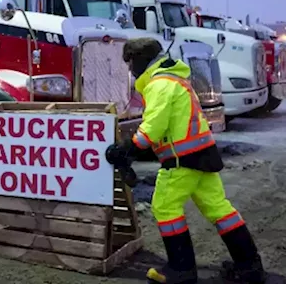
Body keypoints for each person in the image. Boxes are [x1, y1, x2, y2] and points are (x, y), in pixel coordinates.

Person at [105, 37, 267, 284]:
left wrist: (128, 149)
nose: (130, 70)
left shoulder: (159, 85)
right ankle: (249, 266)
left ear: (139, 61)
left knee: (165, 208)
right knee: (219, 208)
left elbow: (154, 127)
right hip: (204, 155)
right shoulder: (176, 80)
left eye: (130, 63)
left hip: (182, 160)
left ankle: (181, 270)